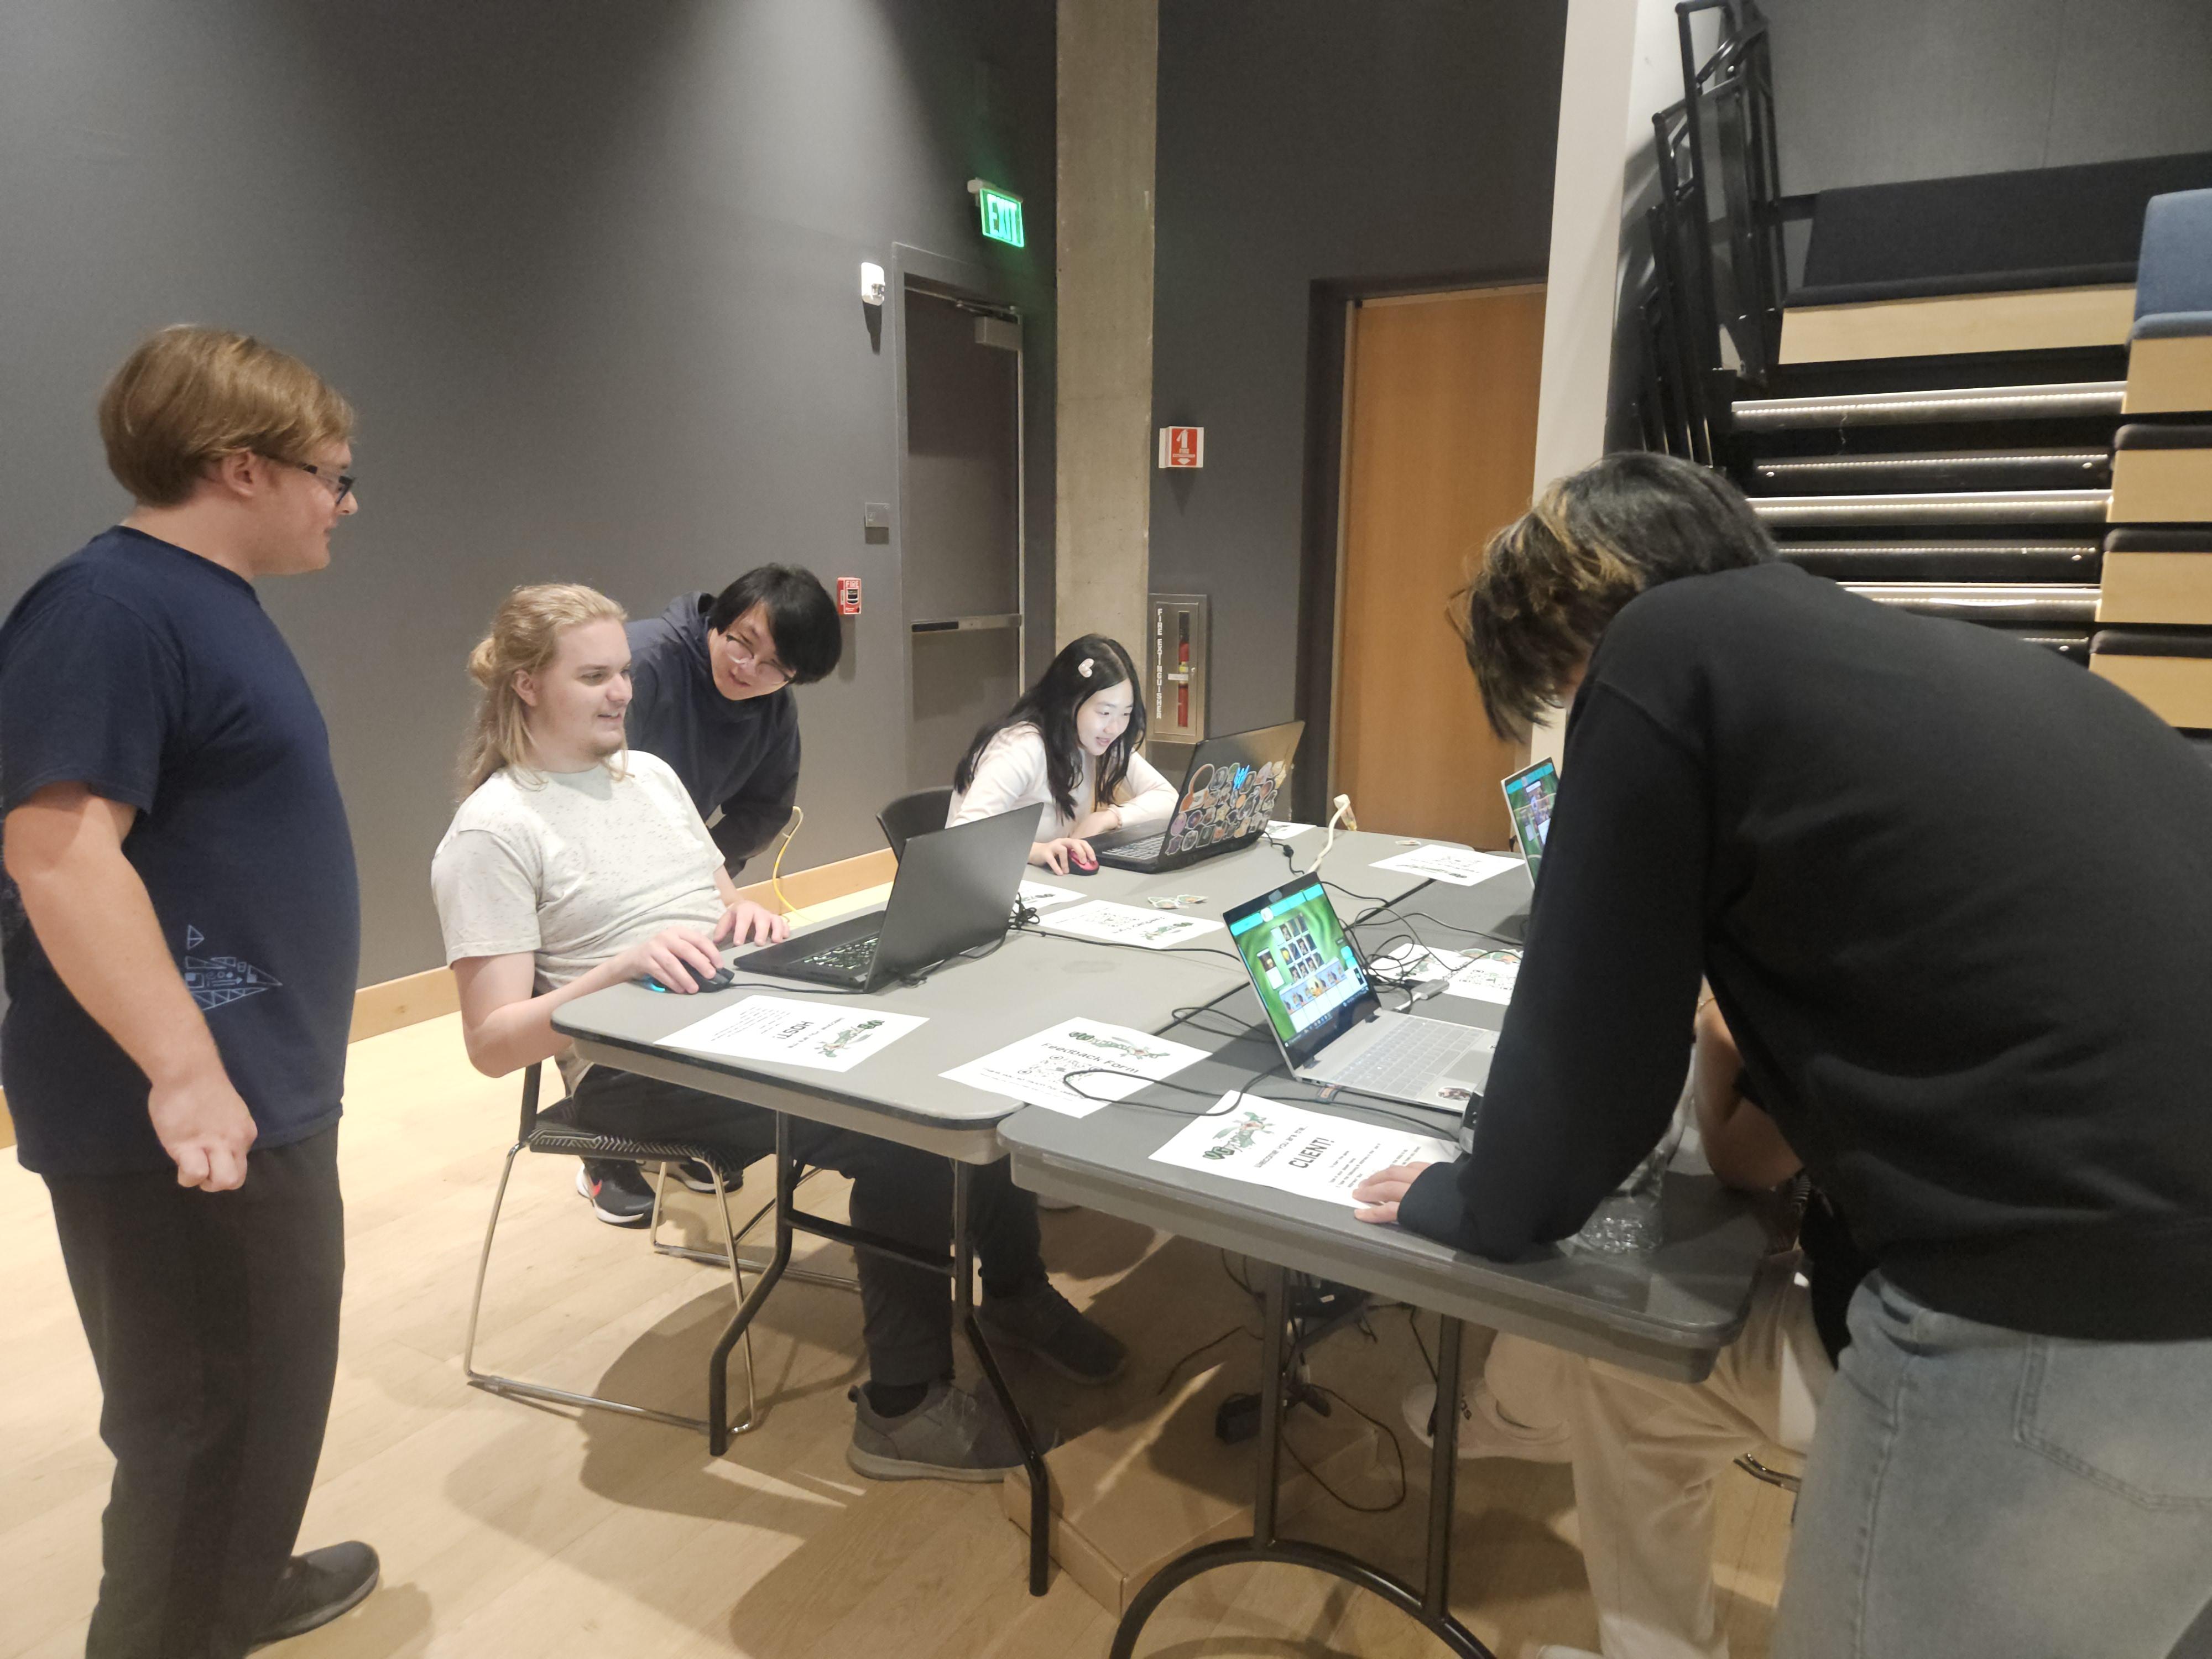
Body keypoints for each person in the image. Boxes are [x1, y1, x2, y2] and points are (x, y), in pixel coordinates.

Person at [1348, 451, 2212, 1657]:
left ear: (1570, 622)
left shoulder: (1661, 658)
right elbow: (1761, 1134)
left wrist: (1469, 1196)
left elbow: (1581, 1089)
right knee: (1641, 1389)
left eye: (1561, 691)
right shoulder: (1915, 670)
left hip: (2067, 1321)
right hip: (2144, 1294)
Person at [430, 583, 1126, 1481]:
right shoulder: (492, 831)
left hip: (733, 1004)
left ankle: (1018, 1294)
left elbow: (706, 893)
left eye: (626, 674)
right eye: (594, 676)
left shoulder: (648, 777)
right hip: (629, 1068)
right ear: (526, 685)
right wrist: (611, 971)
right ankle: (902, 1409)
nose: (621, 694)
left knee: (966, 1068)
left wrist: (743, 913)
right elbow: (490, 1044)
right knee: (905, 1130)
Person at [0, 326, 379, 1657]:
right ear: (239, 466)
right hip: (180, 1114)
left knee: (256, 1397)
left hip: (249, 1082)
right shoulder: (107, 608)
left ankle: (240, 1575)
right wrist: (184, 1063)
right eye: (332, 474)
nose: (343, 499)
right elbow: (55, 846)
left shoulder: (200, 602)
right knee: (205, 1419)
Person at [1406, 999, 1859, 1659]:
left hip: (1907, 1352)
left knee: (1629, 1348)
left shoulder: (1856, 951)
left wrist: (1710, 1027)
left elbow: (1744, 1157)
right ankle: (1506, 1414)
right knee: (1630, 1288)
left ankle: (1509, 1416)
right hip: (1979, 1320)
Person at [571, 566, 841, 1224]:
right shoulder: (647, 665)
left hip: (672, 872)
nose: (749, 668)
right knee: (613, 977)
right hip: (588, 869)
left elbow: (767, 804)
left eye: (776, 667)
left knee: (724, 968)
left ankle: (683, 1119)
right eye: (742, 642)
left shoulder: (772, 703)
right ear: (721, 616)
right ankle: (602, 1147)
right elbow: (578, 775)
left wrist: (705, 871)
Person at [948, 633, 1175, 873]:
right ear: (1070, 702)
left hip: (1044, 885)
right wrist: (1037, 851)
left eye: (1126, 714)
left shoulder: (1098, 739)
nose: (1115, 727)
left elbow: (1169, 799)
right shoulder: (1021, 747)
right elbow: (961, 838)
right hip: (987, 882)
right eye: (1105, 713)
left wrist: (1108, 818)